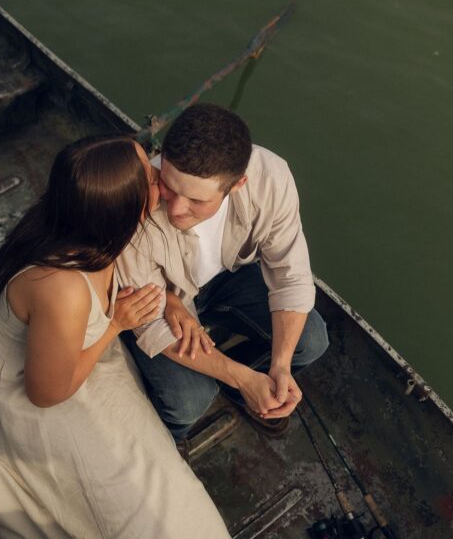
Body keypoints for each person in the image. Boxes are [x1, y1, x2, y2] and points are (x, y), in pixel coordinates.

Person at [0, 134, 307, 539]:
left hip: (87, 361)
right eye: (149, 178)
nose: (159, 175)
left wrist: (169, 300)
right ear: (123, 208)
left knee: (169, 476)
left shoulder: (100, 227)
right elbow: (47, 393)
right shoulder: (61, 288)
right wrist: (120, 325)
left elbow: (137, 277)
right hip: (43, 399)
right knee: (128, 512)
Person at [117, 105, 329, 442]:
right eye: (169, 187)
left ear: (237, 184)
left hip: (225, 281)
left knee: (311, 340)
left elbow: (291, 277)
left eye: (196, 201)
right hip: (155, 301)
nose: (175, 209)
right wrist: (242, 378)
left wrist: (279, 367)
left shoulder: (271, 177)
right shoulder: (134, 200)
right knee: (189, 402)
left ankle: (248, 381)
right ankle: (168, 439)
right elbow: (149, 322)